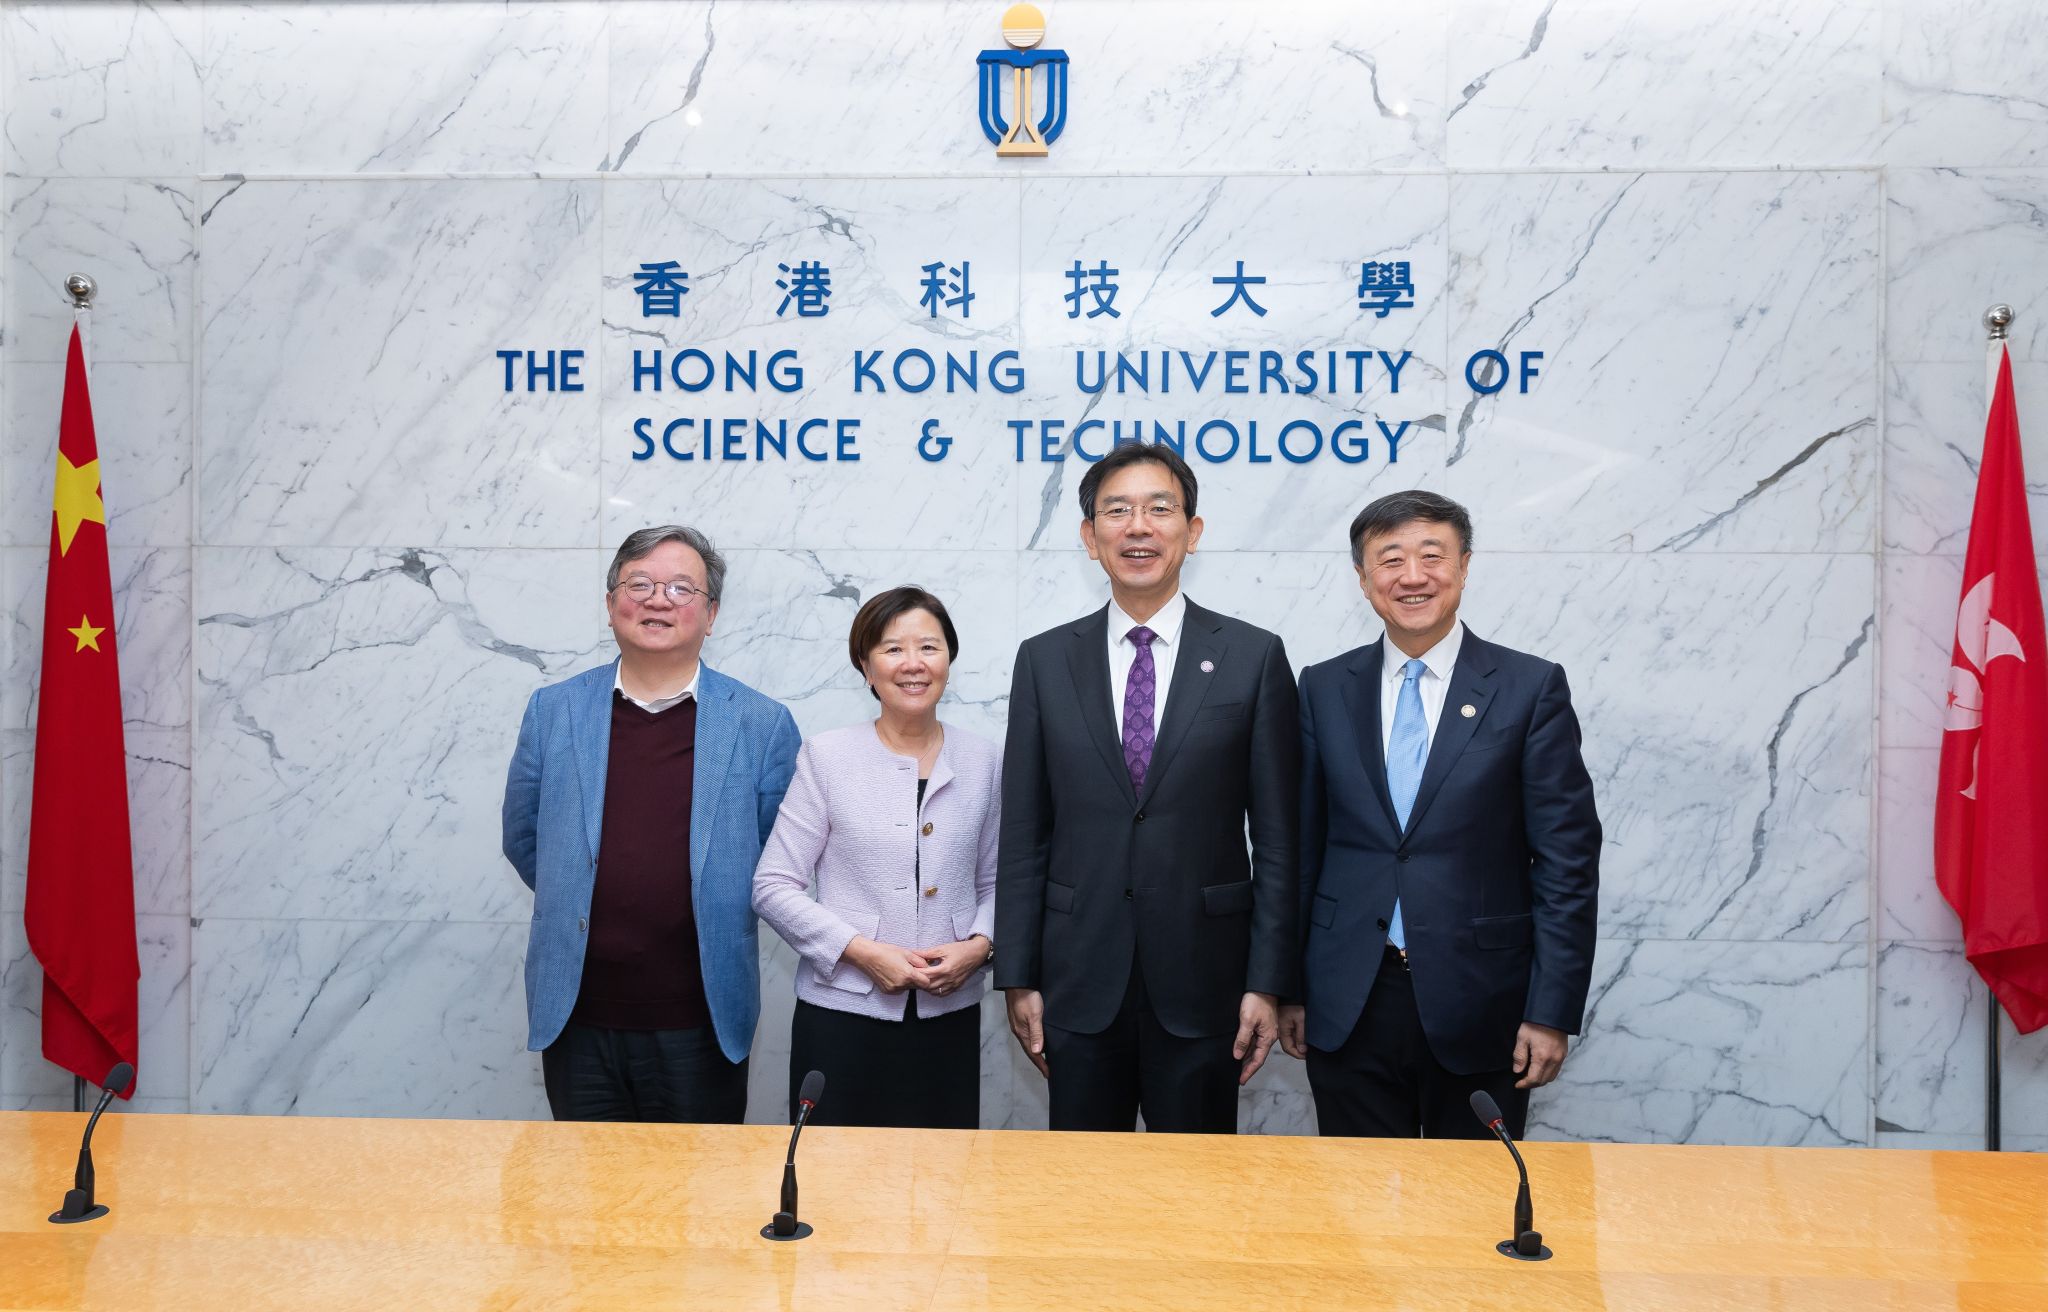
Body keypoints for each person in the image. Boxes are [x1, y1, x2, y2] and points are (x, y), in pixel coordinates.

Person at [995, 441, 1300, 1134]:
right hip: (1077, 980)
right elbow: (1024, 830)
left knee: (1197, 1200)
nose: (1139, 527)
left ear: (1192, 533)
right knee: (1082, 1192)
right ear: (1089, 536)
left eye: (1160, 509)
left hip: (1207, 981)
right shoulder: (1045, 660)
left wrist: (1268, 981)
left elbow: (1280, 840)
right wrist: (1019, 973)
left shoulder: (1253, 658)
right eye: (1118, 511)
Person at [1280, 490, 1600, 1139]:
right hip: (1348, 999)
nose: (1413, 576)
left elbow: (1567, 862)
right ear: (1363, 578)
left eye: (1432, 555)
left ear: (1465, 565)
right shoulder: (1322, 687)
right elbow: (1300, 849)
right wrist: (1289, 987)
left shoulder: (1528, 688)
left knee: (1472, 1213)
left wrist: (1550, 1010)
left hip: (1484, 1002)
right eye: (1390, 559)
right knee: (1356, 1215)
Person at [502, 525, 800, 1123]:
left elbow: (778, 860)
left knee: (696, 1206)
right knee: (587, 1203)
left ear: (710, 613)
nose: (658, 599)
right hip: (578, 1019)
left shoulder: (762, 723)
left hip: (702, 1022)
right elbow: (524, 837)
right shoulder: (554, 711)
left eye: (681, 587)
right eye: (639, 583)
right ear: (611, 602)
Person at [753, 587, 999, 1129]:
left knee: (944, 1182)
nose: (913, 664)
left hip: (948, 1014)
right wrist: (861, 952)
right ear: (865, 667)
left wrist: (979, 948)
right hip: (841, 1016)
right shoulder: (827, 756)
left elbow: (998, 879)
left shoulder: (984, 759)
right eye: (891, 649)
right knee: (837, 1184)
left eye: (929, 647)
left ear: (949, 662)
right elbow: (773, 885)